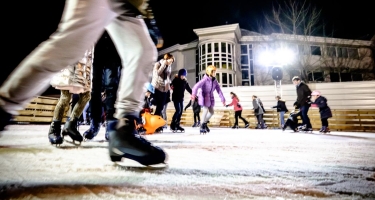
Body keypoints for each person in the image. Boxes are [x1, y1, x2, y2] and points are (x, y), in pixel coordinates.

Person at [0, 0, 166, 166]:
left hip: (124, 4)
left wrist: (146, 13)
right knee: (68, 46)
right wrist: (148, 15)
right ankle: (4, 106)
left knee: (143, 51)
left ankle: (123, 131)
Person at [48, 48, 93, 144]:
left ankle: (71, 125)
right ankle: (54, 129)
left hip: (84, 61)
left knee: (86, 95)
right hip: (70, 59)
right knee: (65, 97)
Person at [82, 31, 121, 141]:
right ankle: (95, 124)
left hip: (114, 49)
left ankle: (110, 126)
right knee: (94, 89)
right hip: (96, 50)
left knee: (112, 88)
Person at [191, 65, 226, 134]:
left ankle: (204, 123)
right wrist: (193, 95)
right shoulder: (204, 79)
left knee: (212, 112)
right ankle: (202, 126)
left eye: (215, 72)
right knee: (205, 110)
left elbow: (219, 90)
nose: (215, 73)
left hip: (210, 97)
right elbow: (195, 86)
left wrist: (223, 99)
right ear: (209, 72)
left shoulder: (214, 81)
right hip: (204, 97)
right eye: (213, 72)